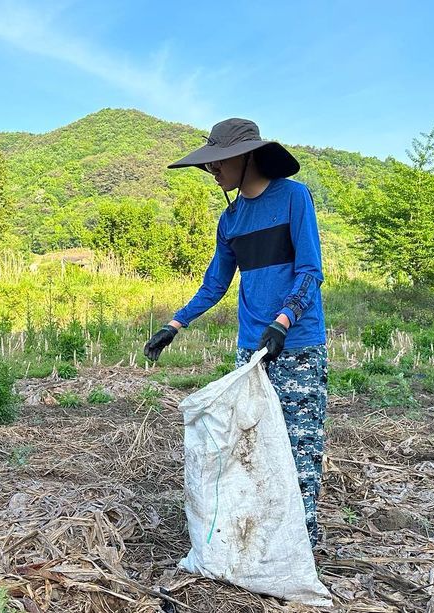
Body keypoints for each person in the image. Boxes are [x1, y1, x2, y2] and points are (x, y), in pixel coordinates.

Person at [143, 118, 327, 546]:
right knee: (251, 446)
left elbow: (310, 271)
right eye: (210, 164)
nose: (213, 171)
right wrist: (174, 325)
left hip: (295, 345)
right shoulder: (231, 220)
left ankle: (300, 547)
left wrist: (282, 322)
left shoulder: (294, 198)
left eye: (220, 161)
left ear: (246, 157)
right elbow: (215, 283)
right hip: (251, 351)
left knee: (299, 447)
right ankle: (259, 541)